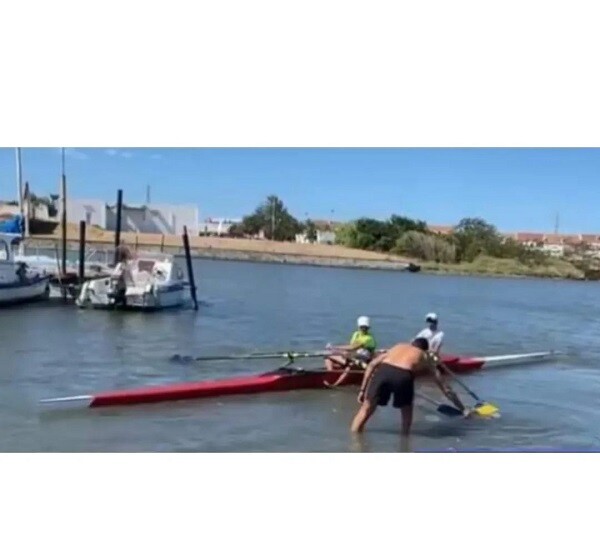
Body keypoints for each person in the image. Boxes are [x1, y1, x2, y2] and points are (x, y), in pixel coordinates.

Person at [350, 337, 471, 436]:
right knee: (406, 414)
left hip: (383, 371)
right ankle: (405, 444)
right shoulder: (424, 356)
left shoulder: (397, 347)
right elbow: (445, 387)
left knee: (365, 409)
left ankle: (354, 440)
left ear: (411, 343)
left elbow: (372, 365)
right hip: (403, 375)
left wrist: (362, 390)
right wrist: (462, 408)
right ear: (425, 349)